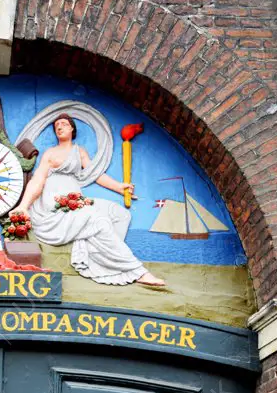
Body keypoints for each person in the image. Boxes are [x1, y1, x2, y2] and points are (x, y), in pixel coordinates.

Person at [11, 114, 165, 288]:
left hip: (76, 200)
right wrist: (23, 206)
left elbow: (95, 175)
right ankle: (137, 271)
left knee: (120, 214)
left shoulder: (79, 151)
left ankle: (99, 256)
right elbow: (37, 180)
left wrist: (119, 187)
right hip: (56, 206)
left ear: (72, 129)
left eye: (63, 124)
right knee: (98, 221)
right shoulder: (51, 153)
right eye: (56, 126)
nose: (59, 127)